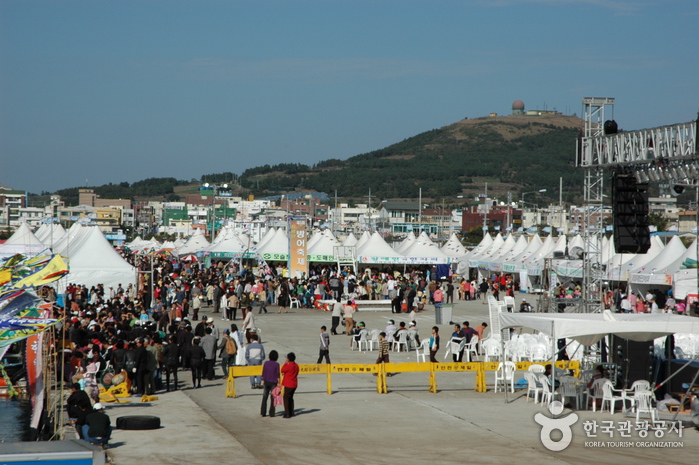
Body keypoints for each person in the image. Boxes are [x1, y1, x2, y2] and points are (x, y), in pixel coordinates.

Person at [260, 350, 280, 417]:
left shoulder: (266, 363)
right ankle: (272, 413)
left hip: (266, 381)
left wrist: (263, 379)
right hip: (273, 382)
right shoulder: (277, 364)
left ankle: (263, 412)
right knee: (273, 398)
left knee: (265, 397)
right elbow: (277, 374)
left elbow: (263, 372)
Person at [281, 352, 299, 418]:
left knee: (286, 398)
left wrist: (285, 363)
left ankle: (287, 413)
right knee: (291, 398)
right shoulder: (296, 365)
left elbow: (282, 370)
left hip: (288, 384)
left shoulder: (289, 365)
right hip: (294, 384)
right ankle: (291, 412)